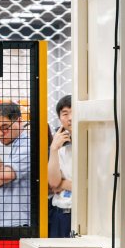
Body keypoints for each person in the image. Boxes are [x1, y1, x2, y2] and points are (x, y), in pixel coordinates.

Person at [0, 102, 31, 228]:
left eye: (5, 127)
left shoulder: (27, 146)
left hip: (18, 223)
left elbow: (5, 175)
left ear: (20, 121)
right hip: (7, 222)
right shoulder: (15, 146)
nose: (0, 134)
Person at [48, 95, 72, 238]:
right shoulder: (60, 146)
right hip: (60, 214)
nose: (70, 118)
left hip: (83, 215)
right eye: (65, 113)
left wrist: (62, 183)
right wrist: (54, 149)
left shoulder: (94, 143)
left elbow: (91, 187)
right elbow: (53, 182)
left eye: (73, 112)